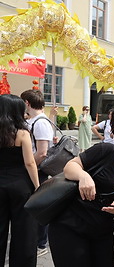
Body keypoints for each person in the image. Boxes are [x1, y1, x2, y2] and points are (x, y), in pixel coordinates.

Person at [48, 121, 114, 267]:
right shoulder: (106, 150)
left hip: (102, 231)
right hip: (70, 225)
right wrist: (83, 176)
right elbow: (70, 167)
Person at [0, 94, 40, 267]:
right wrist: (38, 186)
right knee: (24, 231)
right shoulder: (22, 133)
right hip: (20, 185)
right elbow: (30, 163)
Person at [21, 89, 54, 257]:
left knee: (38, 207)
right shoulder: (35, 120)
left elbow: (42, 152)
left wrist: (28, 166)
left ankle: (41, 244)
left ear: (27, 103)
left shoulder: (40, 122)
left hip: (38, 170)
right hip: (34, 169)